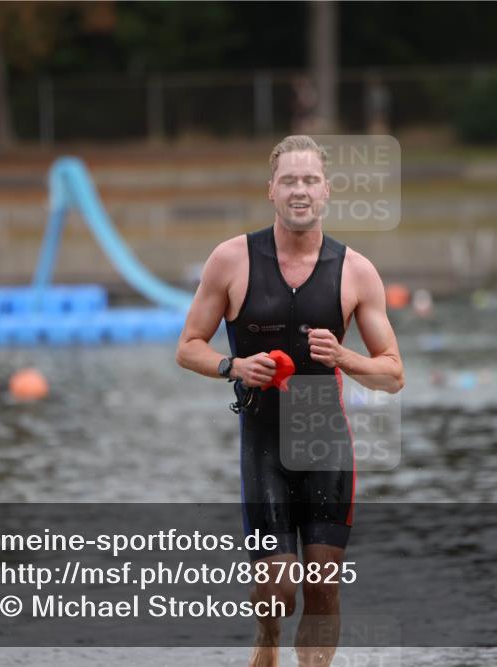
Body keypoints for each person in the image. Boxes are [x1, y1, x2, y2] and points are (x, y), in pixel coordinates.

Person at [176, 135, 405, 667]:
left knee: (323, 589)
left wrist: (345, 359)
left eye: (309, 181)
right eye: (288, 181)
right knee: (278, 590)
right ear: (271, 191)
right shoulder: (231, 260)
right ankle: (267, 637)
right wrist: (233, 366)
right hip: (263, 444)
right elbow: (188, 349)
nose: (299, 190)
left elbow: (393, 374)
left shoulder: (356, 271)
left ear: (326, 191)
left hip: (327, 445)